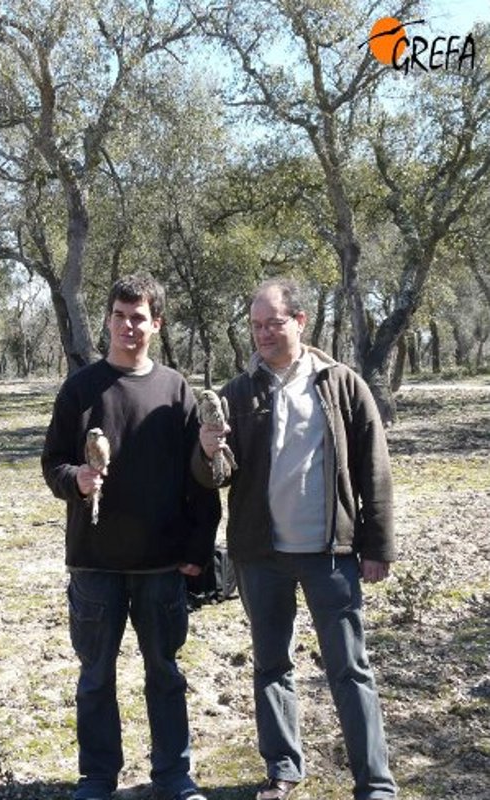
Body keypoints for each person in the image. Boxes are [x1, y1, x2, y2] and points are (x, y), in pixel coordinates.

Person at [192, 277, 397, 800]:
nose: (263, 333)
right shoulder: (238, 393)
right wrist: (208, 451)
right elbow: (217, 476)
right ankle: (283, 770)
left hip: (332, 554)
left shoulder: (341, 382)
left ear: (299, 322)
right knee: (270, 666)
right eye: (256, 325)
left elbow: (374, 467)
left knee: (350, 669)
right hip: (261, 556)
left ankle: (374, 782)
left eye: (274, 323)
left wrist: (377, 546)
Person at [42, 273, 220, 800]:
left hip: (162, 566)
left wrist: (196, 552)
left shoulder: (175, 390)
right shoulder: (79, 389)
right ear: (108, 319)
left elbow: (201, 477)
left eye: (138, 317)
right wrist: (75, 479)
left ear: (156, 324)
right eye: (119, 316)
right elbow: (52, 464)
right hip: (94, 563)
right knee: (96, 677)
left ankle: (173, 776)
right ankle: (97, 778)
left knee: (165, 673)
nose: (127, 326)